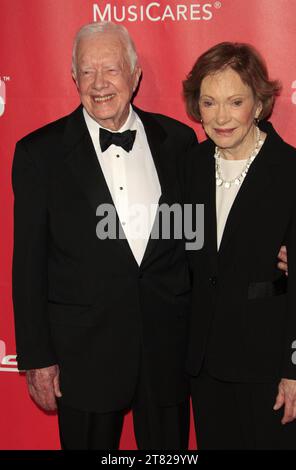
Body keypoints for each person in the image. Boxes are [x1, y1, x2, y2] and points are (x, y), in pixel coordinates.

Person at [12, 21, 198, 450]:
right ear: (73, 78)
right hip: (84, 355)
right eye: (87, 72)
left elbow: (196, 241)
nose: (99, 84)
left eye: (111, 70)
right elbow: (28, 266)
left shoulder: (178, 142)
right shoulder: (39, 153)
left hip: (166, 350)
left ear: (135, 76)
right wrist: (38, 359)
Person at [183, 42, 296, 449]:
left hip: (269, 369)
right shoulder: (189, 167)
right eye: (209, 102)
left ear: (258, 105)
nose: (220, 116)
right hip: (204, 367)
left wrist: (295, 370)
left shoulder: (291, 172)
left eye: (235, 101)